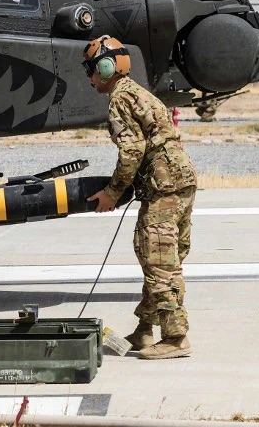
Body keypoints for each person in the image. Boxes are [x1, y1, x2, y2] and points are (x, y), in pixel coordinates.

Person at [84, 35, 197, 360]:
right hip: (181, 180)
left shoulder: (120, 98)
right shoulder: (139, 92)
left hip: (164, 185)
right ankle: (145, 330)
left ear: (107, 68)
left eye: (92, 70)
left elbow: (133, 150)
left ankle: (176, 338)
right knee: (162, 256)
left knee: (158, 261)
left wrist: (112, 193)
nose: (90, 78)